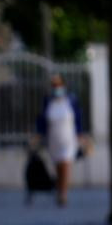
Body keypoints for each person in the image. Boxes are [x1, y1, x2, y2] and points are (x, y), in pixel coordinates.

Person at [36, 74, 88, 207]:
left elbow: (77, 118)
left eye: (58, 85)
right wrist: (39, 134)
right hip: (54, 139)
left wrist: (80, 134)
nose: (56, 88)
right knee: (58, 166)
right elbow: (42, 119)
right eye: (54, 85)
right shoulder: (48, 101)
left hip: (68, 138)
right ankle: (60, 190)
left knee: (65, 164)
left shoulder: (71, 100)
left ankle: (63, 194)